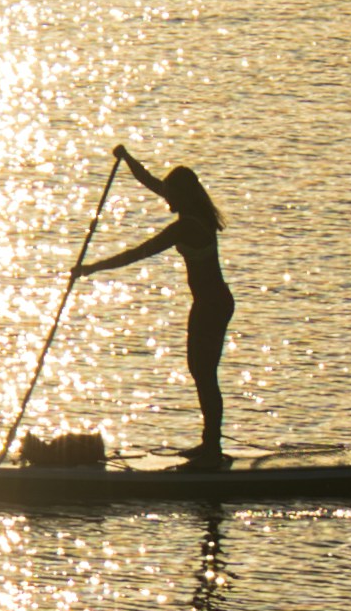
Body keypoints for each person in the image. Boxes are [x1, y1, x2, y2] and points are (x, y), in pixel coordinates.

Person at [71, 150, 234, 466]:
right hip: (207, 303)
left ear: (181, 195)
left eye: (170, 194)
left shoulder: (186, 226)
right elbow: (149, 181)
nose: (165, 199)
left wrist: (92, 269)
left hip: (213, 305)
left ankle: (212, 448)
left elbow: (138, 253)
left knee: (205, 374)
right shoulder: (191, 209)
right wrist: (126, 157)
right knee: (199, 371)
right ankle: (209, 442)